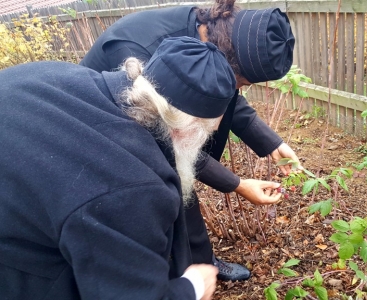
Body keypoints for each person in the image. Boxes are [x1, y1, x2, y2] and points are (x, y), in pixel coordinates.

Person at [0, 37, 248, 299]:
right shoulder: (132, 190)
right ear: (183, 129)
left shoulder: (56, 75)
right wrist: (192, 287)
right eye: (208, 132)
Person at [80, 0, 303, 281]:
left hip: (154, 127)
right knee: (155, 201)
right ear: (226, 57)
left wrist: (271, 143)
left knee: (181, 192)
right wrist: (237, 184)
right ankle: (169, 279)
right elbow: (173, 146)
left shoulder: (214, 32)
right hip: (109, 133)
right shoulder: (138, 55)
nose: (237, 90)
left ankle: (201, 265)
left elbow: (227, 96)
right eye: (242, 83)